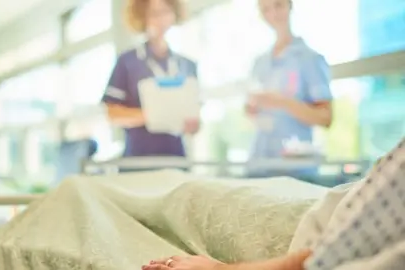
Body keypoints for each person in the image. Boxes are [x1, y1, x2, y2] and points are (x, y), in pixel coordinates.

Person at [142, 137, 405, 269]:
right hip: (320, 207)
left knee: (189, 196)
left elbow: (320, 261)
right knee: (187, 193)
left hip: (295, 230)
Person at [101, 0, 199, 160]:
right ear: (142, 17)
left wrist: (192, 125)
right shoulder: (128, 61)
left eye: (166, 12)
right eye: (154, 13)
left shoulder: (187, 65)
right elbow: (112, 113)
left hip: (176, 158)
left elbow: (194, 121)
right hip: (138, 158)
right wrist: (152, 115)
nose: (160, 19)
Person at [245, 0, 333, 178]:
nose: (273, 14)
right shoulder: (259, 63)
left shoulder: (309, 59)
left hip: (295, 169)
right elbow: (252, 111)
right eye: (266, 9)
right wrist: (251, 109)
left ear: (290, 5)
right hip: (259, 164)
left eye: (278, 5)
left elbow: (325, 117)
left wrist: (283, 102)